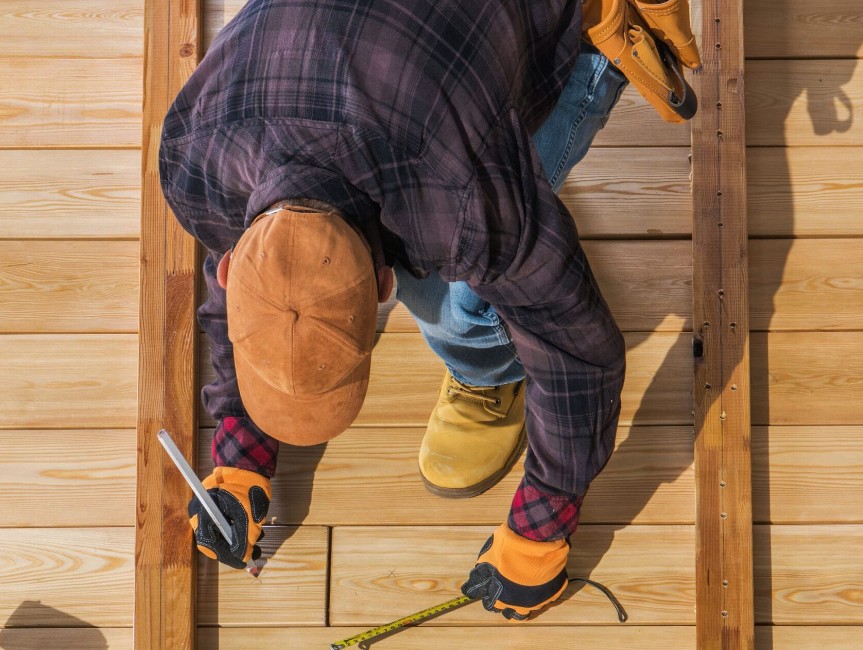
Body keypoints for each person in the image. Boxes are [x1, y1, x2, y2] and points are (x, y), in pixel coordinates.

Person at [160, 0, 697, 621]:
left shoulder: (456, 193)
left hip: (516, 40)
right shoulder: (194, 156)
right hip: (394, 63)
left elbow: (577, 348)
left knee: (452, 303)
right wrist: (238, 450)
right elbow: (255, 279)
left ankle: (486, 373)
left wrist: (542, 524)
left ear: (385, 280)